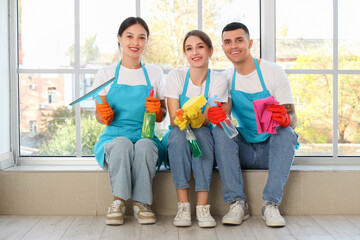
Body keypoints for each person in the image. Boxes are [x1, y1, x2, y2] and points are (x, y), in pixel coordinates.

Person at [207, 22, 298, 227]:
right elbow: (227, 117)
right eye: (228, 42)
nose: (234, 46)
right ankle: (237, 203)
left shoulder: (273, 72)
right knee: (220, 130)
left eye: (239, 40)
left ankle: (271, 205)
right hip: (244, 150)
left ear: (250, 43)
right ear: (223, 47)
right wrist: (219, 116)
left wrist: (286, 119)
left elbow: (293, 118)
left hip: (271, 150)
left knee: (287, 132)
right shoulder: (226, 78)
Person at [92, 17, 166, 226]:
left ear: (146, 42)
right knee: (123, 144)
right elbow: (100, 116)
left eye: (141, 37)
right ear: (119, 38)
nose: (135, 42)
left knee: (143, 146)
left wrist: (157, 111)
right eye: (130, 36)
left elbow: (162, 115)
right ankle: (118, 202)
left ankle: (142, 203)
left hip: (146, 135)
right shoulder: (106, 74)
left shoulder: (154, 73)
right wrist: (103, 115)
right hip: (114, 136)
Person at [164, 30, 228, 228]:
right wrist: (182, 118)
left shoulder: (218, 80)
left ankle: (202, 207)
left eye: (200, 46)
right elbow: (174, 119)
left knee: (200, 133)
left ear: (210, 50)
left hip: (204, 138)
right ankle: (183, 206)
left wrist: (198, 117)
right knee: (178, 134)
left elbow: (209, 119)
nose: (195, 52)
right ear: (185, 53)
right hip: (178, 140)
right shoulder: (175, 76)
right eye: (189, 48)